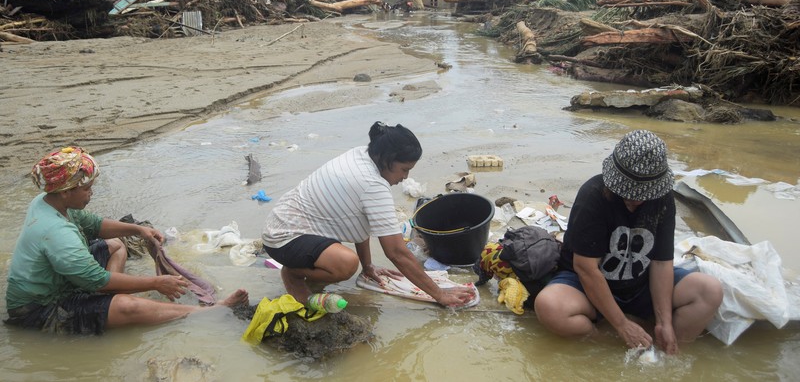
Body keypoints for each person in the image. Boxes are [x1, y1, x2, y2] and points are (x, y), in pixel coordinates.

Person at [4, 146, 248, 334]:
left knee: (116, 245)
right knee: (126, 306)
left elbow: (94, 224)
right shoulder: (57, 233)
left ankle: (112, 297)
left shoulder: (49, 201)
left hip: (62, 282)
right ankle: (210, 312)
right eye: (87, 188)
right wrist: (155, 283)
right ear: (66, 191)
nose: (92, 192)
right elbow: (97, 281)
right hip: (40, 310)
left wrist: (138, 230)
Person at [534, 130, 723, 354]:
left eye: (643, 194)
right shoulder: (593, 195)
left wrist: (665, 322)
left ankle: (667, 351)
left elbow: (661, 263)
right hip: (587, 287)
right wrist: (621, 324)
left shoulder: (663, 200)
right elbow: (586, 269)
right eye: (629, 193)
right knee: (549, 306)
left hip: (640, 284)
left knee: (710, 290)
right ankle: (609, 344)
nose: (636, 200)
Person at [262, 121, 475, 308]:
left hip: (284, 223)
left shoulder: (362, 154)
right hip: (284, 238)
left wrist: (369, 267)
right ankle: (293, 273)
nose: (405, 176)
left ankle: (301, 267)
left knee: (349, 261)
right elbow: (396, 253)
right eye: (403, 169)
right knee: (345, 264)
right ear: (387, 159)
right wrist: (439, 294)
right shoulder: (372, 184)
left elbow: (359, 217)